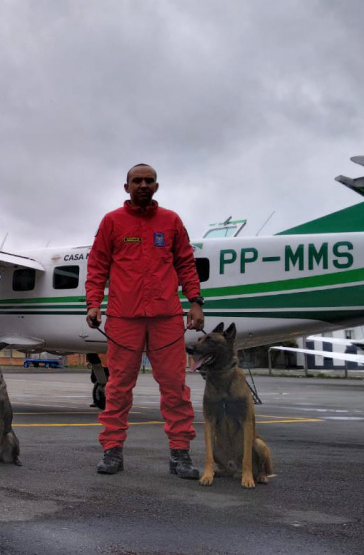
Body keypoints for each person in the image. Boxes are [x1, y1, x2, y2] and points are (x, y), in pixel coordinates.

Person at [85, 163, 205, 478]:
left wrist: (195, 303)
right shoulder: (112, 222)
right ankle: (112, 452)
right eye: (136, 181)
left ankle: (180, 454)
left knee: (175, 388)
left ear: (156, 186)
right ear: (126, 187)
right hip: (124, 318)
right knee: (118, 387)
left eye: (148, 180)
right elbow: (97, 265)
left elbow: (186, 264)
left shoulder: (172, 221)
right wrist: (93, 304)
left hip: (166, 318)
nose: (143, 185)